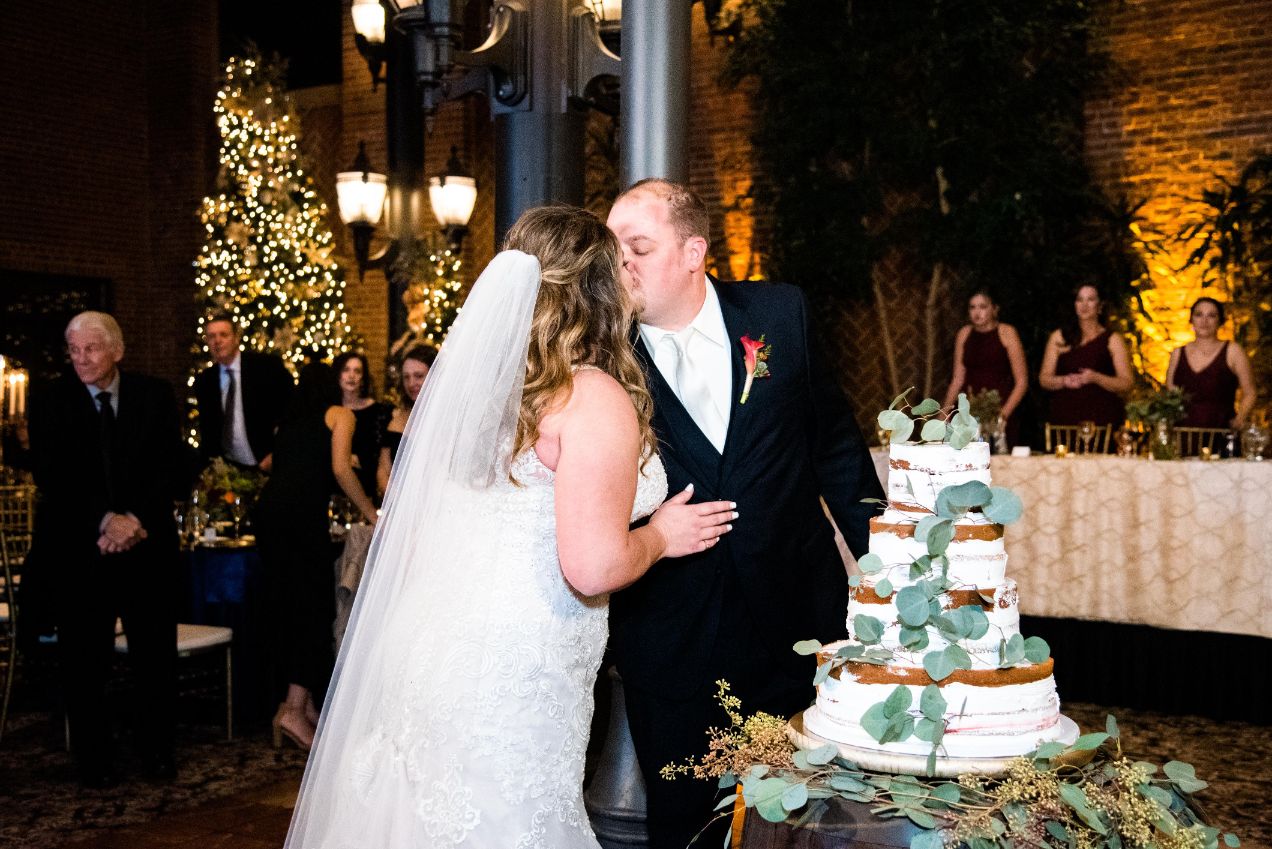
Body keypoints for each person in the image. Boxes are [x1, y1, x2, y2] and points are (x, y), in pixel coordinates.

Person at [282, 206, 734, 848]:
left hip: (437, 641)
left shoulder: (487, 390)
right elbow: (592, 566)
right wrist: (662, 534)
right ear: (598, 290)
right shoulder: (591, 394)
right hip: (516, 656)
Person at [605, 178, 885, 849]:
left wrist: (890, 575)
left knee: (798, 823)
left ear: (693, 250)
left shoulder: (779, 315)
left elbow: (837, 448)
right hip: (674, 639)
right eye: (612, 250)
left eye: (638, 247)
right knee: (686, 828)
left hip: (793, 625)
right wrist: (648, 537)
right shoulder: (600, 358)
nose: (621, 265)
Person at [27, 312, 186, 787]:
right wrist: (106, 520)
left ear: (116, 349)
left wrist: (134, 519)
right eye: (73, 350)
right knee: (84, 661)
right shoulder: (51, 401)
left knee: (154, 658)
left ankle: (157, 753)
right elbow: (54, 476)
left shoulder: (154, 396)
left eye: (90, 349)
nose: (80, 359)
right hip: (81, 551)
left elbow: (169, 467)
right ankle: (94, 761)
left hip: (145, 547)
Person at [252, 361, 380, 750]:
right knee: (313, 610)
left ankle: (297, 706)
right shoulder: (340, 414)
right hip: (299, 521)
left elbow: (275, 467)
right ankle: (293, 709)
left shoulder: (290, 422)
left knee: (291, 608)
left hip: (270, 518)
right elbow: (341, 469)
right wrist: (371, 513)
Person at [194, 314, 295, 471]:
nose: (217, 341)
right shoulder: (205, 381)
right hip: (229, 470)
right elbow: (209, 432)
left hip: (270, 463)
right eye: (211, 336)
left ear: (236, 338)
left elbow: (292, 411)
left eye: (224, 335)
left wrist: (278, 452)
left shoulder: (266, 367)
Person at [941, 290, 1029, 448]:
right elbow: (958, 378)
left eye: (982, 307)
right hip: (969, 408)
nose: (977, 312)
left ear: (994, 309)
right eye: (972, 307)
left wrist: (1002, 416)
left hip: (1000, 406)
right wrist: (944, 412)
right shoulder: (964, 334)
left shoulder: (1007, 332)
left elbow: (1021, 381)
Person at [1038, 284, 1133, 428]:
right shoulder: (1059, 337)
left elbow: (1127, 383)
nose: (1084, 305)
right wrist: (1064, 381)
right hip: (1065, 418)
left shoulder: (1112, 339)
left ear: (1100, 306)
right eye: (1080, 300)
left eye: (1090, 300)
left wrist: (1095, 378)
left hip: (1102, 420)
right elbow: (1044, 379)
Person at [1166, 297, 1256, 430]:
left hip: (1221, 432)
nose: (1204, 321)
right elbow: (1170, 390)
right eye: (1199, 314)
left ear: (1220, 321)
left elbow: (1250, 392)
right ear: (1191, 320)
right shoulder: (1177, 353)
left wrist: (1238, 420)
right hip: (1183, 432)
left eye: (1211, 315)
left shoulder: (1233, 351)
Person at [376, 344, 436, 496]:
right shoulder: (397, 417)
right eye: (406, 377)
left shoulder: (449, 418)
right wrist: (397, 501)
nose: (411, 383)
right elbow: (383, 469)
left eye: (419, 376)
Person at [332, 351, 390, 502]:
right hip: (334, 493)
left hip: (368, 492)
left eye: (357, 371)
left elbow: (380, 457)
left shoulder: (380, 412)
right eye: (346, 370)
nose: (351, 376)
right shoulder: (330, 411)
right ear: (338, 375)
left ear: (363, 378)